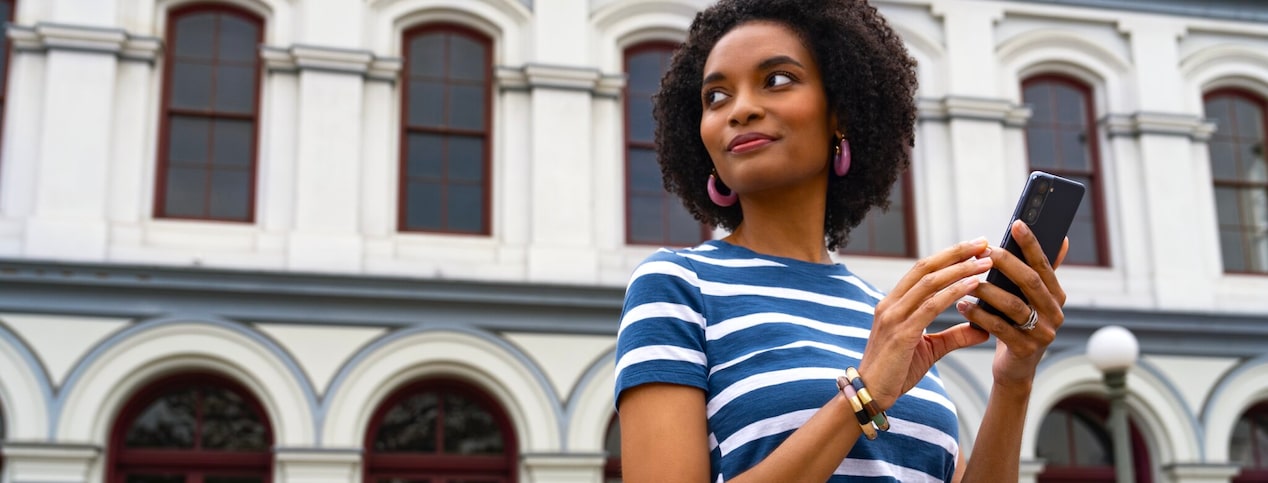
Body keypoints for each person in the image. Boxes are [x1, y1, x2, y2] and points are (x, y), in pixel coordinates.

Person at [612, 0, 1070, 481]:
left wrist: (1014, 380)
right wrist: (865, 391)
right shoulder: (677, 287)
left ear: (841, 114)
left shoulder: (887, 317)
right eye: (716, 97)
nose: (741, 108)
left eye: (777, 80)